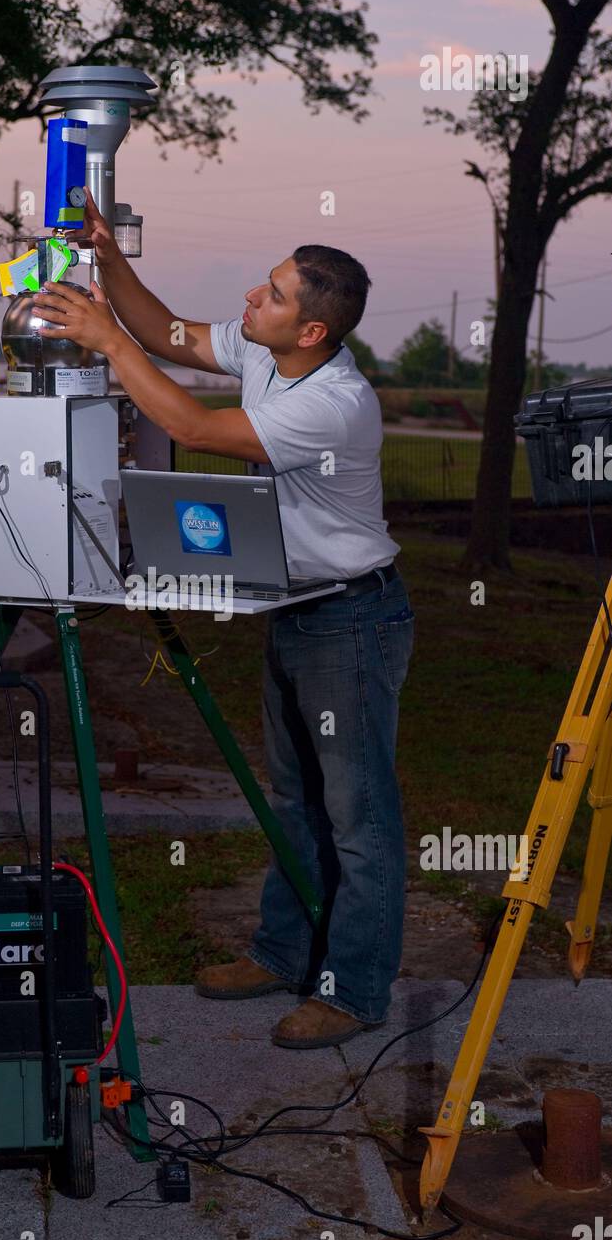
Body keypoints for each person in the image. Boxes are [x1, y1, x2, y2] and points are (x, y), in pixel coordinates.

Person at [31, 190, 414, 1050]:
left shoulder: (334, 404)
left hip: (352, 621)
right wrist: (109, 259)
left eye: (272, 294)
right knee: (293, 801)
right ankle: (283, 953)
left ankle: (352, 991)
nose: (250, 300)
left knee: (358, 817)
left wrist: (102, 341)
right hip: (298, 609)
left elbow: (192, 427)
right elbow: (168, 335)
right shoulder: (267, 353)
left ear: (311, 330)